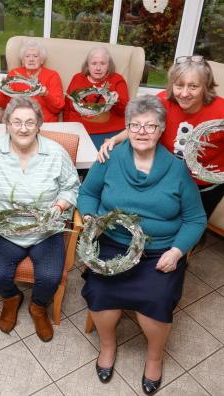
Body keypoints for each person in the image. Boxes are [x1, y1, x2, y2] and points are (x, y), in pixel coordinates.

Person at [77, 95, 206, 394]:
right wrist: (89, 219)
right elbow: (88, 195)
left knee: (157, 301)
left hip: (160, 250)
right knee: (98, 291)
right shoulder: (109, 158)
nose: (142, 131)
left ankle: (154, 357)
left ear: (161, 130)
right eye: (135, 125)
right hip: (113, 242)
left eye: (151, 125)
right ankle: (107, 347)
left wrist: (176, 252)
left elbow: (196, 219)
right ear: (127, 128)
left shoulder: (176, 169)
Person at [0, 97, 79, 342]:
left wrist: (60, 205)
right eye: (16, 122)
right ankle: (12, 298)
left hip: (46, 230)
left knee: (51, 277)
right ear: (7, 124)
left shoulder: (55, 153)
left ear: (39, 125)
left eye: (30, 122)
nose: (23, 128)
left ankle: (38, 307)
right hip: (8, 231)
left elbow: (71, 187)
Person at [98, 56, 224, 219]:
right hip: (167, 178)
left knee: (192, 225)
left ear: (205, 87)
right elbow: (140, 127)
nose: (184, 93)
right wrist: (114, 140)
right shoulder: (163, 100)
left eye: (193, 86)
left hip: (203, 187)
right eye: (179, 85)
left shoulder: (220, 111)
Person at [63, 46, 129, 149]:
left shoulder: (117, 80)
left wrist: (116, 100)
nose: (98, 68)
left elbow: (125, 111)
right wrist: (67, 128)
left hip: (109, 133)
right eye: (94, 63)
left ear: (109, 65)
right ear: (87, 65)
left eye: (103, 63)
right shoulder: (77, 78)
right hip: (78, 131)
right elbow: (67, 105)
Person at [0, 39, 65, 123]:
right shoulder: (14, 74)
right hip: (18, 123)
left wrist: (46, 94)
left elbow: (58, 107)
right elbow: (0, 103)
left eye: (35, 56)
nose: (31, 59)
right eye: (27, 56)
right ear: (23, 61)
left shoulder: (52, 76)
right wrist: (3, 90)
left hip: (43, 124)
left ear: (42, 60)